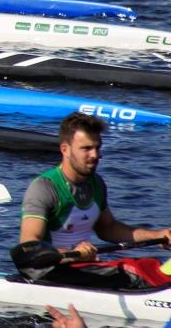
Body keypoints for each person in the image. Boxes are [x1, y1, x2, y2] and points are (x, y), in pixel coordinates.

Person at [19, 112, 171, 289]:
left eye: (98, 148)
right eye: (86, 148)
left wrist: (159, 235)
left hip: (83, 267)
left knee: (150, 265)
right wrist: (72, 254)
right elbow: (29, 245)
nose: (95, 155)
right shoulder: (45, 187)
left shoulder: (96, 183)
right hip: (49, 271)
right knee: (135, 272)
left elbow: (108, 229)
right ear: (65, 150)